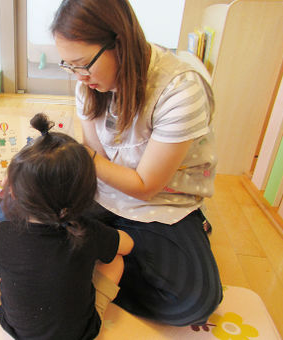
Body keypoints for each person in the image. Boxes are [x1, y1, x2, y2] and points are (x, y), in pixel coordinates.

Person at [50, 0, 222, 327]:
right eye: (69, 65)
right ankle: (107, 255)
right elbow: (97, 162)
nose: (79, 76)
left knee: (196, 301)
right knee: (23, 217)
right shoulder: (87, 83)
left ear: (120, 42)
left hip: (160, 204)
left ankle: (97, 261)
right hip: (106, 195)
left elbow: (146, 187)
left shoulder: (179, 87)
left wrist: (82, 157)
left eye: (83, 64)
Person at [0, 113, 134, 340]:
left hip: (16, 329)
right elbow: (128, 245)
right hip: (81, 333)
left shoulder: (3, 231)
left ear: (13, 192)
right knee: (115, 260)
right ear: (85, 194)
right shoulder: (87, 231)